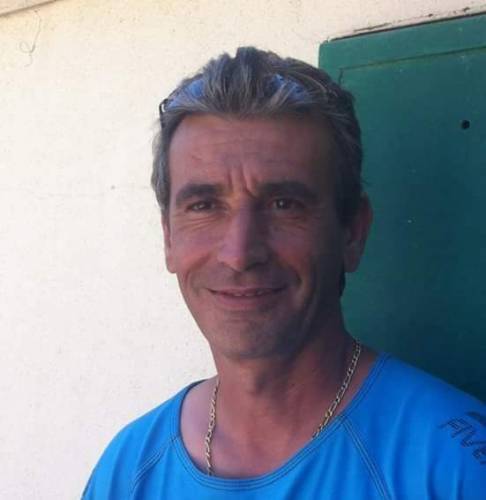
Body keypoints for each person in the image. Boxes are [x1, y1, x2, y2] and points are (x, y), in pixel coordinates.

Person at [82, 47, 485, 499]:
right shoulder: (129, 470)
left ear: (352, 232)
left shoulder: (453, 466)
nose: (239, 254)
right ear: (168, 238)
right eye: (204, 206)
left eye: (283, 204)